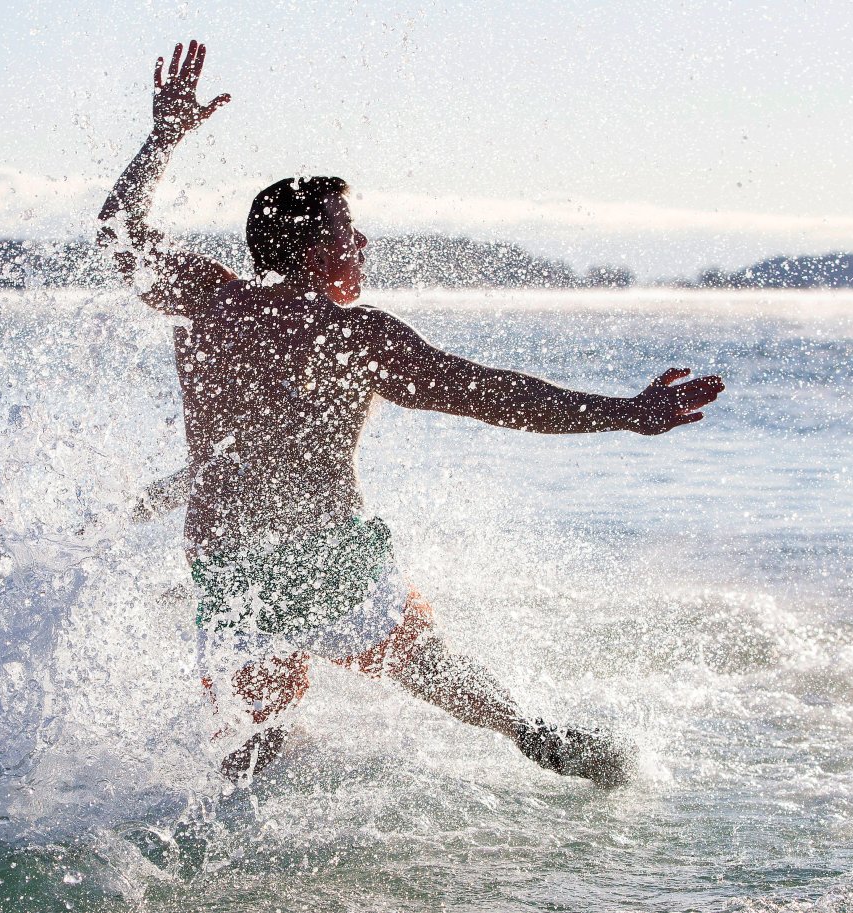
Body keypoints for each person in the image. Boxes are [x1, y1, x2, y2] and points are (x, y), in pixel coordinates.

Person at [98, 41, 725, 787]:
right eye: (344, 227)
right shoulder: (355, 335)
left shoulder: (208, 301)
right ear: (306, 245)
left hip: (230, 570)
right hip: (330, 560)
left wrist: (165, 135)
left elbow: (116, 233)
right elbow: (494, 395)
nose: (360, 240)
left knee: (253, 757)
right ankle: (529, 731)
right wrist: (625, 411)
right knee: (435, 667)